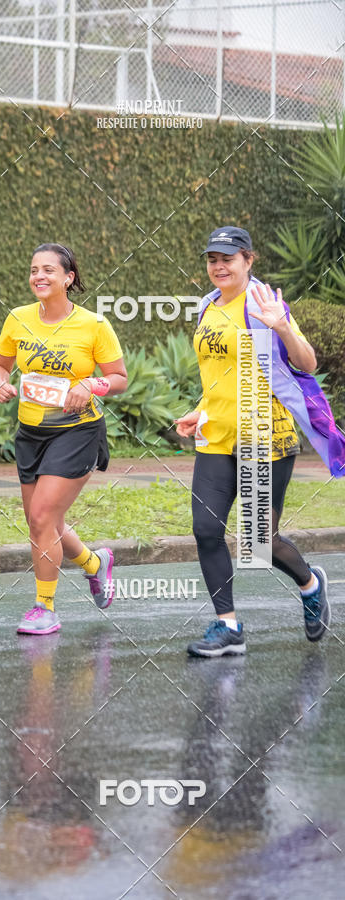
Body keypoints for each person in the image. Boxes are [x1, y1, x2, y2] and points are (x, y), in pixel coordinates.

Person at [176, 226, 344, 657]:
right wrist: (200, 409)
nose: (218, 266)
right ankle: (227, 626)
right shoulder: (207, 307)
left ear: (249, 261)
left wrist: (283, 327)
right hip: (217, 436)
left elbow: (307, 363)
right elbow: (219, 376)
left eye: (228, 258)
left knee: (258, 542)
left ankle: (309, 584)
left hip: (264, 437)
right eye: (212, 258)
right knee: (206, 529)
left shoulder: (264, 304)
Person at [0, 242, 127, 634]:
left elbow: (119, 378)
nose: (39, 276)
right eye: (34, 270)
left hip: (78, 431)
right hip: (31, 433)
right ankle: (95, 565)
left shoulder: (94, 325)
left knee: (42, 516)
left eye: (49, 270)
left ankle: (44, 608)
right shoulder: (18, 319)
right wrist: (0, 384)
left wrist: (90, 383)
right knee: (43, 524)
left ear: (68, 278)